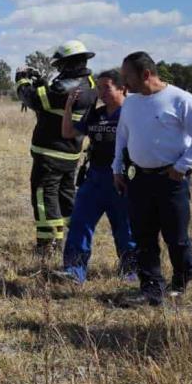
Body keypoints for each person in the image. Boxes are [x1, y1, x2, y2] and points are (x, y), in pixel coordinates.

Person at [113, 51, 192, 306]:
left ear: (146, 74)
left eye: (128, 77)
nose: (124, 83)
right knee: (143, 235)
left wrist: (182, 166)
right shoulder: (132, 103)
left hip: (171, 180)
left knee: (175, 235)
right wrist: (117, 168)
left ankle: (181, 278)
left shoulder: (180, 99)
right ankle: (151, 288)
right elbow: (122, 137)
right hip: (139, 179)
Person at [15, 41, 98, 255]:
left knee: (45, 198)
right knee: (66, 197)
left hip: (50, 154)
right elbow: (53, 100)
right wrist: (41, 80)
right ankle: (75, 238)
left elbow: (34, 98)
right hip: (71, 154)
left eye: (61, 65)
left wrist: (22, 80)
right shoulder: (89, 83)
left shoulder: (64, 88)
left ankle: (48, 244)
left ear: (68, 64)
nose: (59, 70)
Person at [55, 70, 136, 283]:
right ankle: (74, 270)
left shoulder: (133, 114)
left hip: (122, 180)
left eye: (106, 88)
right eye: (99, 88)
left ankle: (131, 270)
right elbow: (68, 133)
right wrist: (68, 107)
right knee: (80, 222)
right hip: (94, 178)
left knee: (126, 227)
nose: (102, 93)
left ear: (122, 88)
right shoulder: (96, 114)